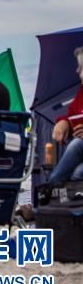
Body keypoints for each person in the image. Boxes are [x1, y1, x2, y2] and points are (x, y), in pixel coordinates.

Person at [48, 46, 83, 182]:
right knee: (78, 173)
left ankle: (51, 187)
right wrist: (64, 122)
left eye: (81, 67)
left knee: (76, 144)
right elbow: (72, 116)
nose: (77, 71)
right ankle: (70, 201)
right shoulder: (81, 94)